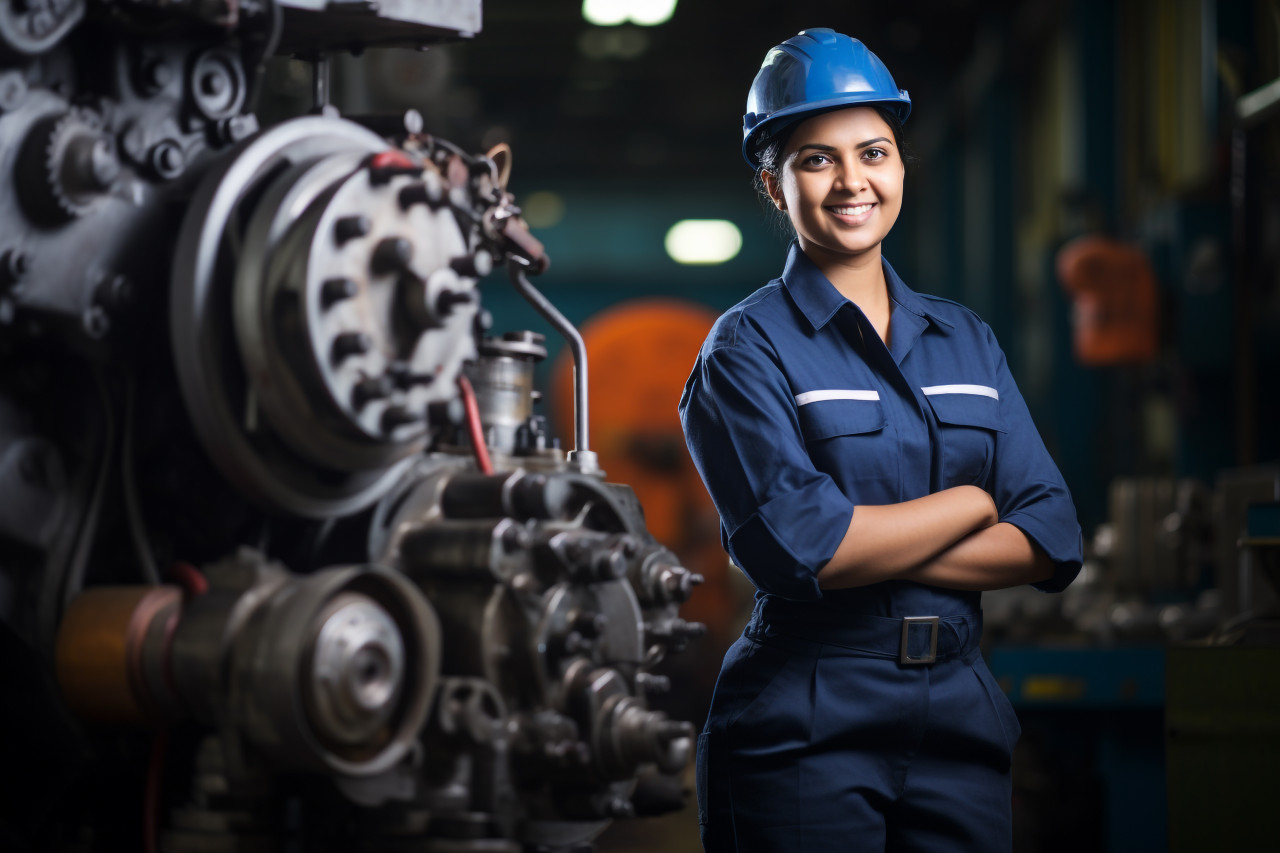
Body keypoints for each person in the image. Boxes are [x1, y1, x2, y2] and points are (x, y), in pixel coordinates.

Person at [678, 28, 1082, 853]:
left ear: (901, 165)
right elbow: (805, 551)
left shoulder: (965, 339)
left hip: (960, 714)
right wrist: (972, 504)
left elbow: (1049, 531)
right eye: (817, 159)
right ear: (772, 181)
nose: (852, 181)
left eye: (874, 151)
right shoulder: (744, 350)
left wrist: (875, 539)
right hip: (804, 718)